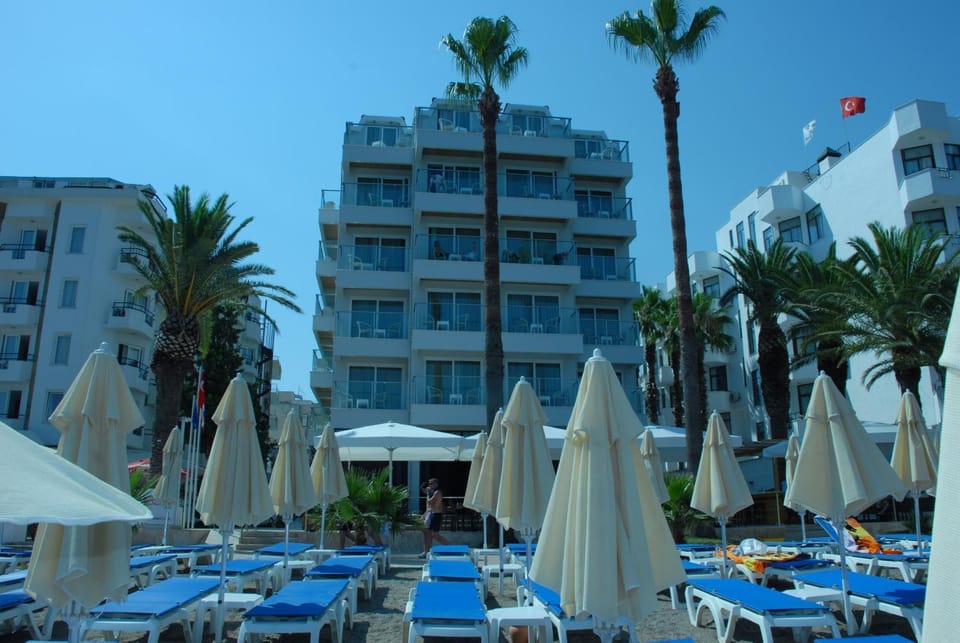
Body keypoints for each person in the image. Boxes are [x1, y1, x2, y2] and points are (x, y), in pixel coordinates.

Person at [419, 477, 448, 557]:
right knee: (427, 533)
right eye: (429, 484)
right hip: (431, 514)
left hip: (436, 515)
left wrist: (428, 493)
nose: (430, 485)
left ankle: (449, 546)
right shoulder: (432, 492)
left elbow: (430, 502)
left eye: (432, 484)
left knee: (434, 534)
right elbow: (424, 491)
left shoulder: (437, 493)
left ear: (436, 484)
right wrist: (422, 487)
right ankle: (426, 551)